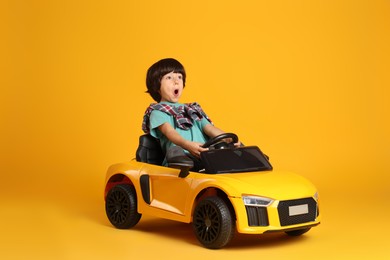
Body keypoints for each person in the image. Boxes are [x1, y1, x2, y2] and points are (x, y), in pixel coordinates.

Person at [142, 58, 239, 171]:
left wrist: (228, 138)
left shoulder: (192, 109)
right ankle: (181, 165)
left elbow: (209, 128)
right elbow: (170, 132)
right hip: (181, 158)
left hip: (205, 155)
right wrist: (186, 144)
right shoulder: (157, 111)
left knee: (227, 151)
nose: (176, 81)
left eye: (179, 77)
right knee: (176, 150)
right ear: (156, 86)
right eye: (169, 77)